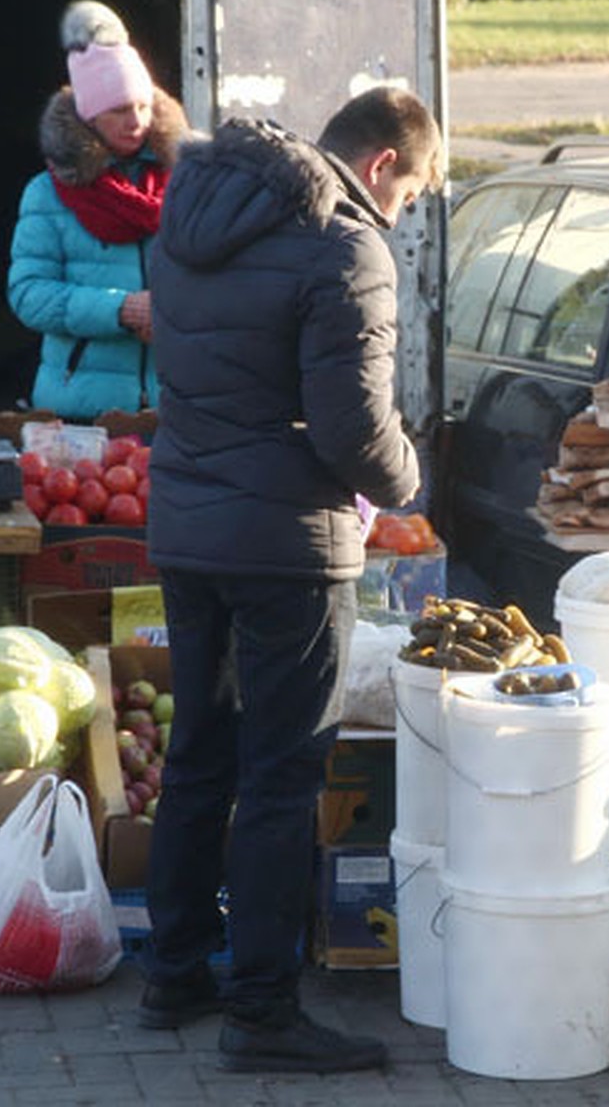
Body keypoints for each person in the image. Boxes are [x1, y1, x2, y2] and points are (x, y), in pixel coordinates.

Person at [137, 87, 444, 1074]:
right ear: (385, 164)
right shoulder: (344, 250)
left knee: (197, 759)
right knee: (279, 778)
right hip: (287, 550)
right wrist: (409, 479)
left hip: (188, 532)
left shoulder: (187, 221)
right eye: (415, 193)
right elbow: (355, 432)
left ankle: (174, 971)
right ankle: (263, 1013)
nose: (403, 216)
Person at [6, 0, 190, 421]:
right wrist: (121, 310)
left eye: (143, 107)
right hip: (82, 410)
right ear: (89, 116)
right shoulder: (47, 194)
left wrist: (173, 310)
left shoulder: (186, 182)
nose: (136, 121)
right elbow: (29, 294)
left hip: (179, 408)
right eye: (119, 111)